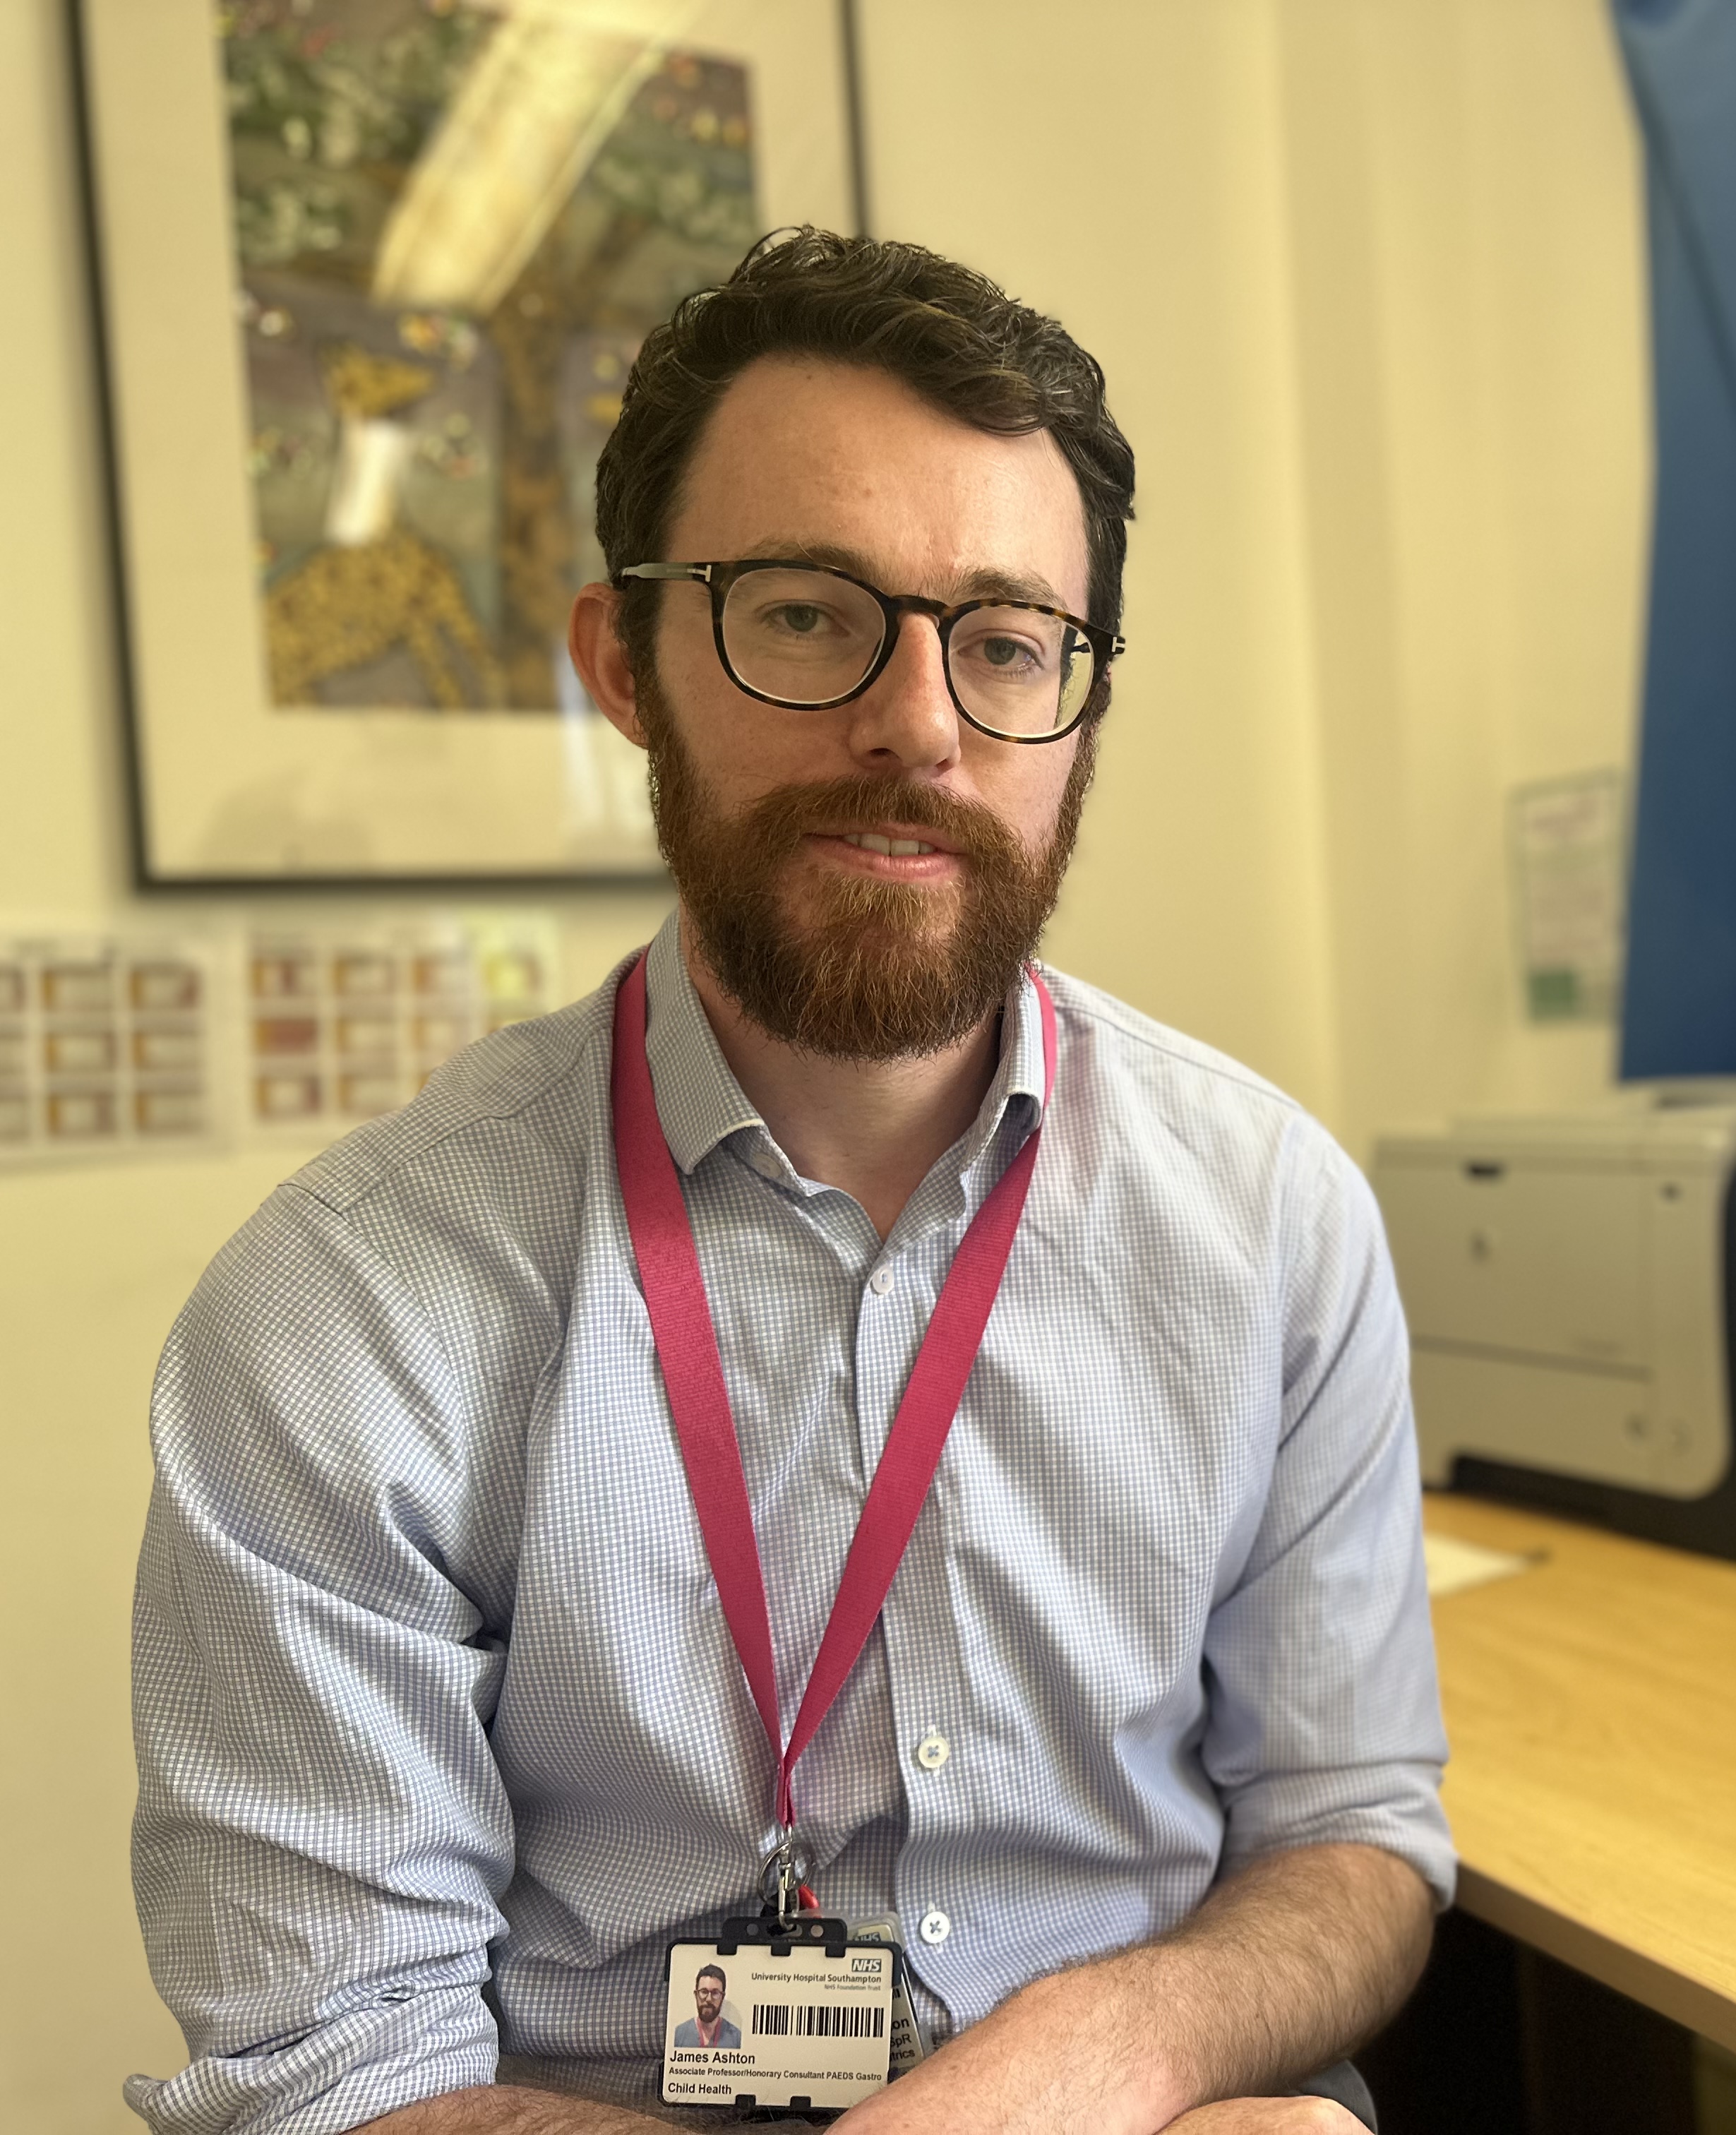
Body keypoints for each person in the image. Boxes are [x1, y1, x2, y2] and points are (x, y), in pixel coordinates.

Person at [127, 230, 1449, 2135]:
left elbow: (1354, 1836)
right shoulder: (339, 1317)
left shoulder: (1279, 1222)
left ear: (1075, 709)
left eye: (1004, 643)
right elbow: (334, 2073)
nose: (921, 722)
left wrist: (1111, 2056)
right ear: (628, 665)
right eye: (812, 613)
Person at [669, 1970, 738, 2054]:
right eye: (704, 1992)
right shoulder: (678, 2034)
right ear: (696, 1995)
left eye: (715, 1993)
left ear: (722, 1997)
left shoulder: (737, 2037)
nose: (709, 1999)